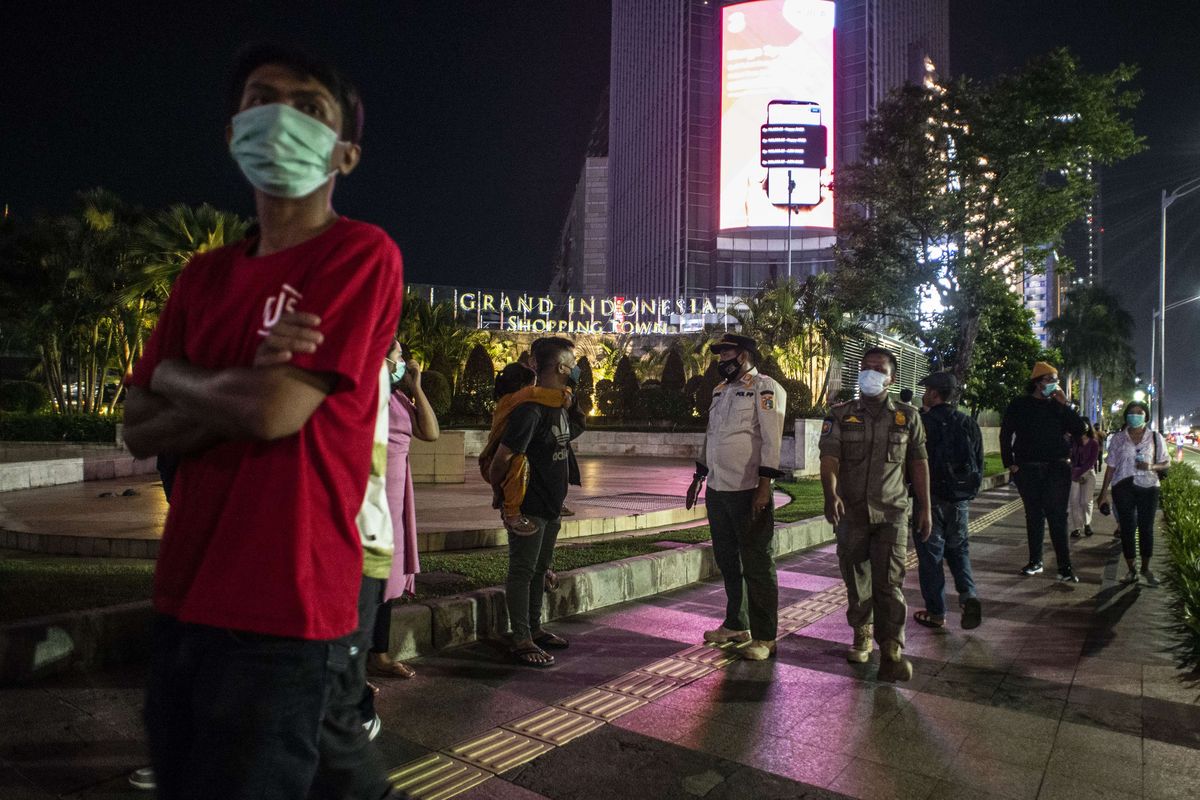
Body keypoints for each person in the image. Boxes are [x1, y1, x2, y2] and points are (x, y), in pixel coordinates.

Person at [123, 43, 403, 800]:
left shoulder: (358, 254)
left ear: (345, 153)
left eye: (308, 106)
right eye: (260, 97)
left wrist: (176, 378)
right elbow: (134, 427)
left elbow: (276, 413)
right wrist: (238, 390)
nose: (279, 115)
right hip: (182, 596)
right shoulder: (203, 275)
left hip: (287, 607)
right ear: (230, 132)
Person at [820, 347, 931, 681]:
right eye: (866, 367)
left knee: (890, 582)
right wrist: (830, 495)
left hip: (893, 513)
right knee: (857, 579)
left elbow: (918, 463)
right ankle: (862, 631)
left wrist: (925, 508)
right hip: (852, 513)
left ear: (891, 377)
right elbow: (830, 459)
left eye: (878, 368)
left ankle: (893, 649)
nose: (870, 372)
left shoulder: (908, 417)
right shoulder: (839, 414)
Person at [685, 334, 787, 661]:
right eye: (719, 354)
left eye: (725, 353)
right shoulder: (720, 391)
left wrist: (764, 486)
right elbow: (712, 437)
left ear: (743, 355)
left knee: (757, 562)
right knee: (728, 560)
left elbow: (771, 440)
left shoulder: (766, 388)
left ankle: (765, 637)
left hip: (748, 490)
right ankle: (735, 624)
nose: (720, 359)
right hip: (718, 488)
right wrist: (700, 476)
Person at [488, 337, 583, 667]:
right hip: (529, 505)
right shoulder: (530, 409)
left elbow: (572, 433)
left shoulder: (557, 403)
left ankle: (535, 628)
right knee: (523, 570)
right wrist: (501, 497)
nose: (576, 369)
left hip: (551, 505)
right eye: (572, 363)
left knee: (540, 569)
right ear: (560, 367)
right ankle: (521, 638)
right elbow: (502, 459)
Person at [367, 341, 439, 681]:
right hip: (370, 495)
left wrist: (416, 387)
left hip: (396, 499)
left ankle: (378, 654)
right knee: (363, 579)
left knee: (386, 576)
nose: (404, 362)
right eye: (397, 355)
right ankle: (354, 664)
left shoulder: (399, 398)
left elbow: (431, 432)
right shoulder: (364, 392)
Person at [999, 362, 1087, 582]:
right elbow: (1006, 433)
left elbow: (1079, 430)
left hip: (1057, 467)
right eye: (1049, 379)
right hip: (1027, 468)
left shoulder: (1059, 406)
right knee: (1034, 515)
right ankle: (1035, 562)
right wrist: (1010, 463)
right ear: (1037, 383)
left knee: (1058, 516)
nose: (1053, 384)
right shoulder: (1020, 404)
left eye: (1055, 379)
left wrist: (1065, 404)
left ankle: (1064, 567)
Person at [911, 371, 983, 631]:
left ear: (933, 393)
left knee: (931, 559)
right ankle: (969, 596)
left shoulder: (922, 422)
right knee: (960, 550)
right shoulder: (968, 422)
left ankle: (936, 613)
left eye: (926, 389)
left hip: (929, 501)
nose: (923, 394)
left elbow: (914, 463)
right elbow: (979, 462)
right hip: (959, 501)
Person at [479, 362, 571, 533]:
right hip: (494, 463)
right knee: (518, 459)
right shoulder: (517, 399)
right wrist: (565, 394)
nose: (536, 388)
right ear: (523, 386)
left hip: (496, 464)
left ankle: (553, 501)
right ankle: (512, 514)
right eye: (533, 384)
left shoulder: (510, 400)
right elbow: (542, 395)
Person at [1096, 402, 1170, 586]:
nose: (1135, 415)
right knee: (1127, 529)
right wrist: (1103, 493)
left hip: (1149, 486)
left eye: (1139, 412)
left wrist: (1151, 466)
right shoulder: (1118, 438)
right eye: (1131, 412)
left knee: (1146, 528)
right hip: (1123, 485)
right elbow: (1111, 466)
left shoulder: (1155, 437)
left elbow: (1166, 463)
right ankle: (1131, 570)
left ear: (1146, 416)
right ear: (1126, 415)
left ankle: (1146, 568)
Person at [1069, 421, 1100, 538]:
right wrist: (1075, 474)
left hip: (1088, 473)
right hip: (1074, 473)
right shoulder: (1073, 442)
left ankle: (1087, 523)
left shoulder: (1094, 443)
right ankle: (1077, 527)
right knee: (1074, 501)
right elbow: (1069, 458)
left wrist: (1081, 474)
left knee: (1086, 501)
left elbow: (1091, 461)